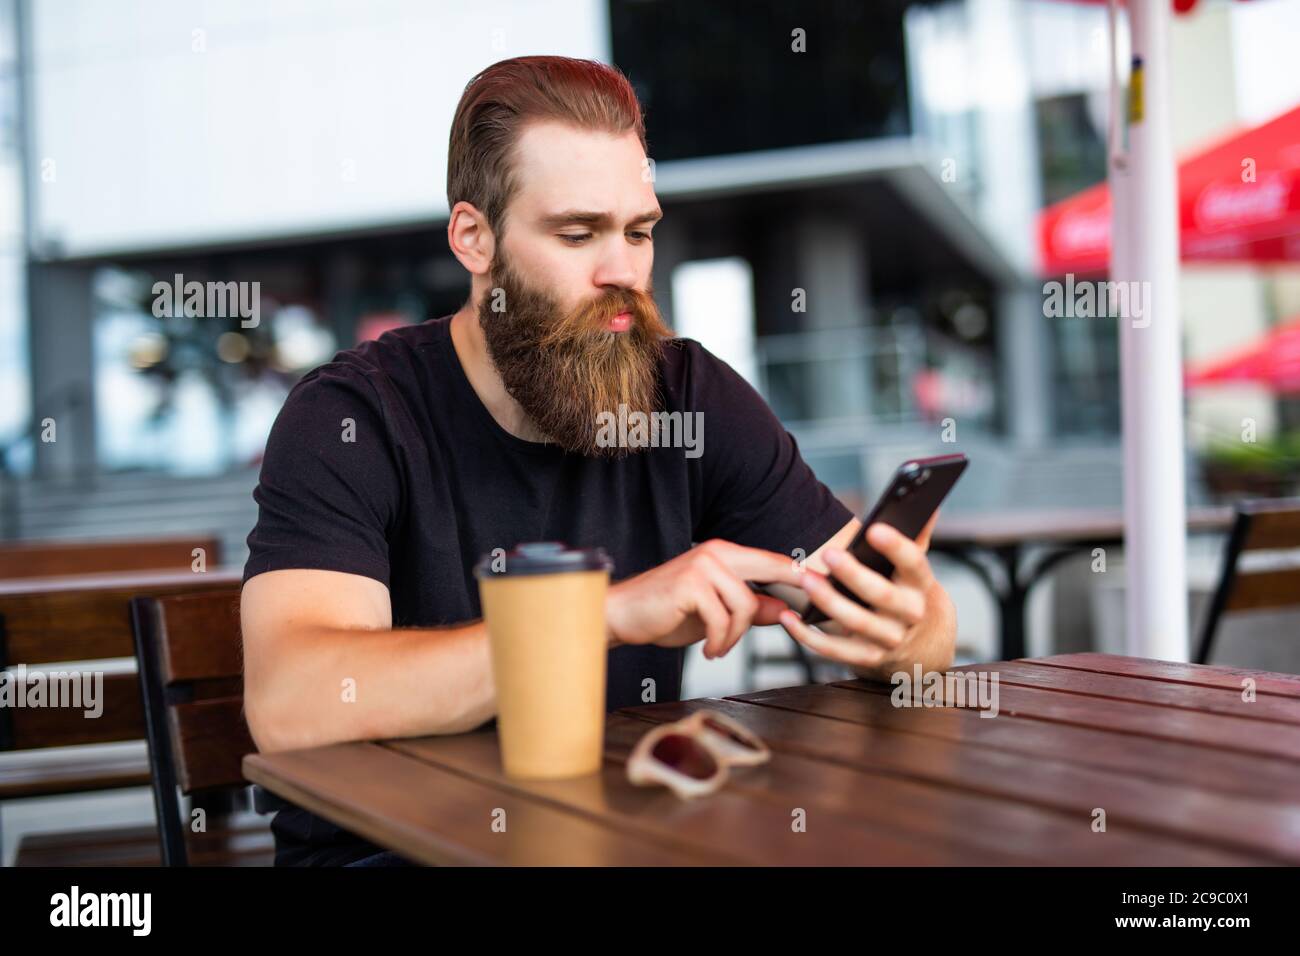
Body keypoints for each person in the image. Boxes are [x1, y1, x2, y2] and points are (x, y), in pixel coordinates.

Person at [240, 55, 957, 866]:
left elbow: (903, 623)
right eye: (577, 234)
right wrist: (603, 617)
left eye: (639, 232)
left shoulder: (687, 396)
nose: (622, 272)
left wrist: (909, 627)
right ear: (474, 238)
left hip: (608, 843)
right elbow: (293, 703)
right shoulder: (353, 416)